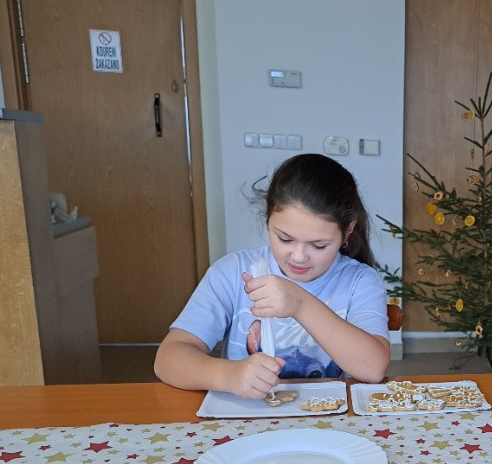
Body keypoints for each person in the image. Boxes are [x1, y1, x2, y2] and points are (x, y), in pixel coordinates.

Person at [155, 154, 390, 395]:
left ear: (348, 230)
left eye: (319, 245)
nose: (299, 257)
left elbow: (373, 369)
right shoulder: (232, 271)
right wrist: (227, 375)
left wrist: (300, 304)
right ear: (268, 219)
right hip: (247, 414)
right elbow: (167, 358)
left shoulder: (359, 281)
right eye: (285, 239)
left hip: (329, 414)